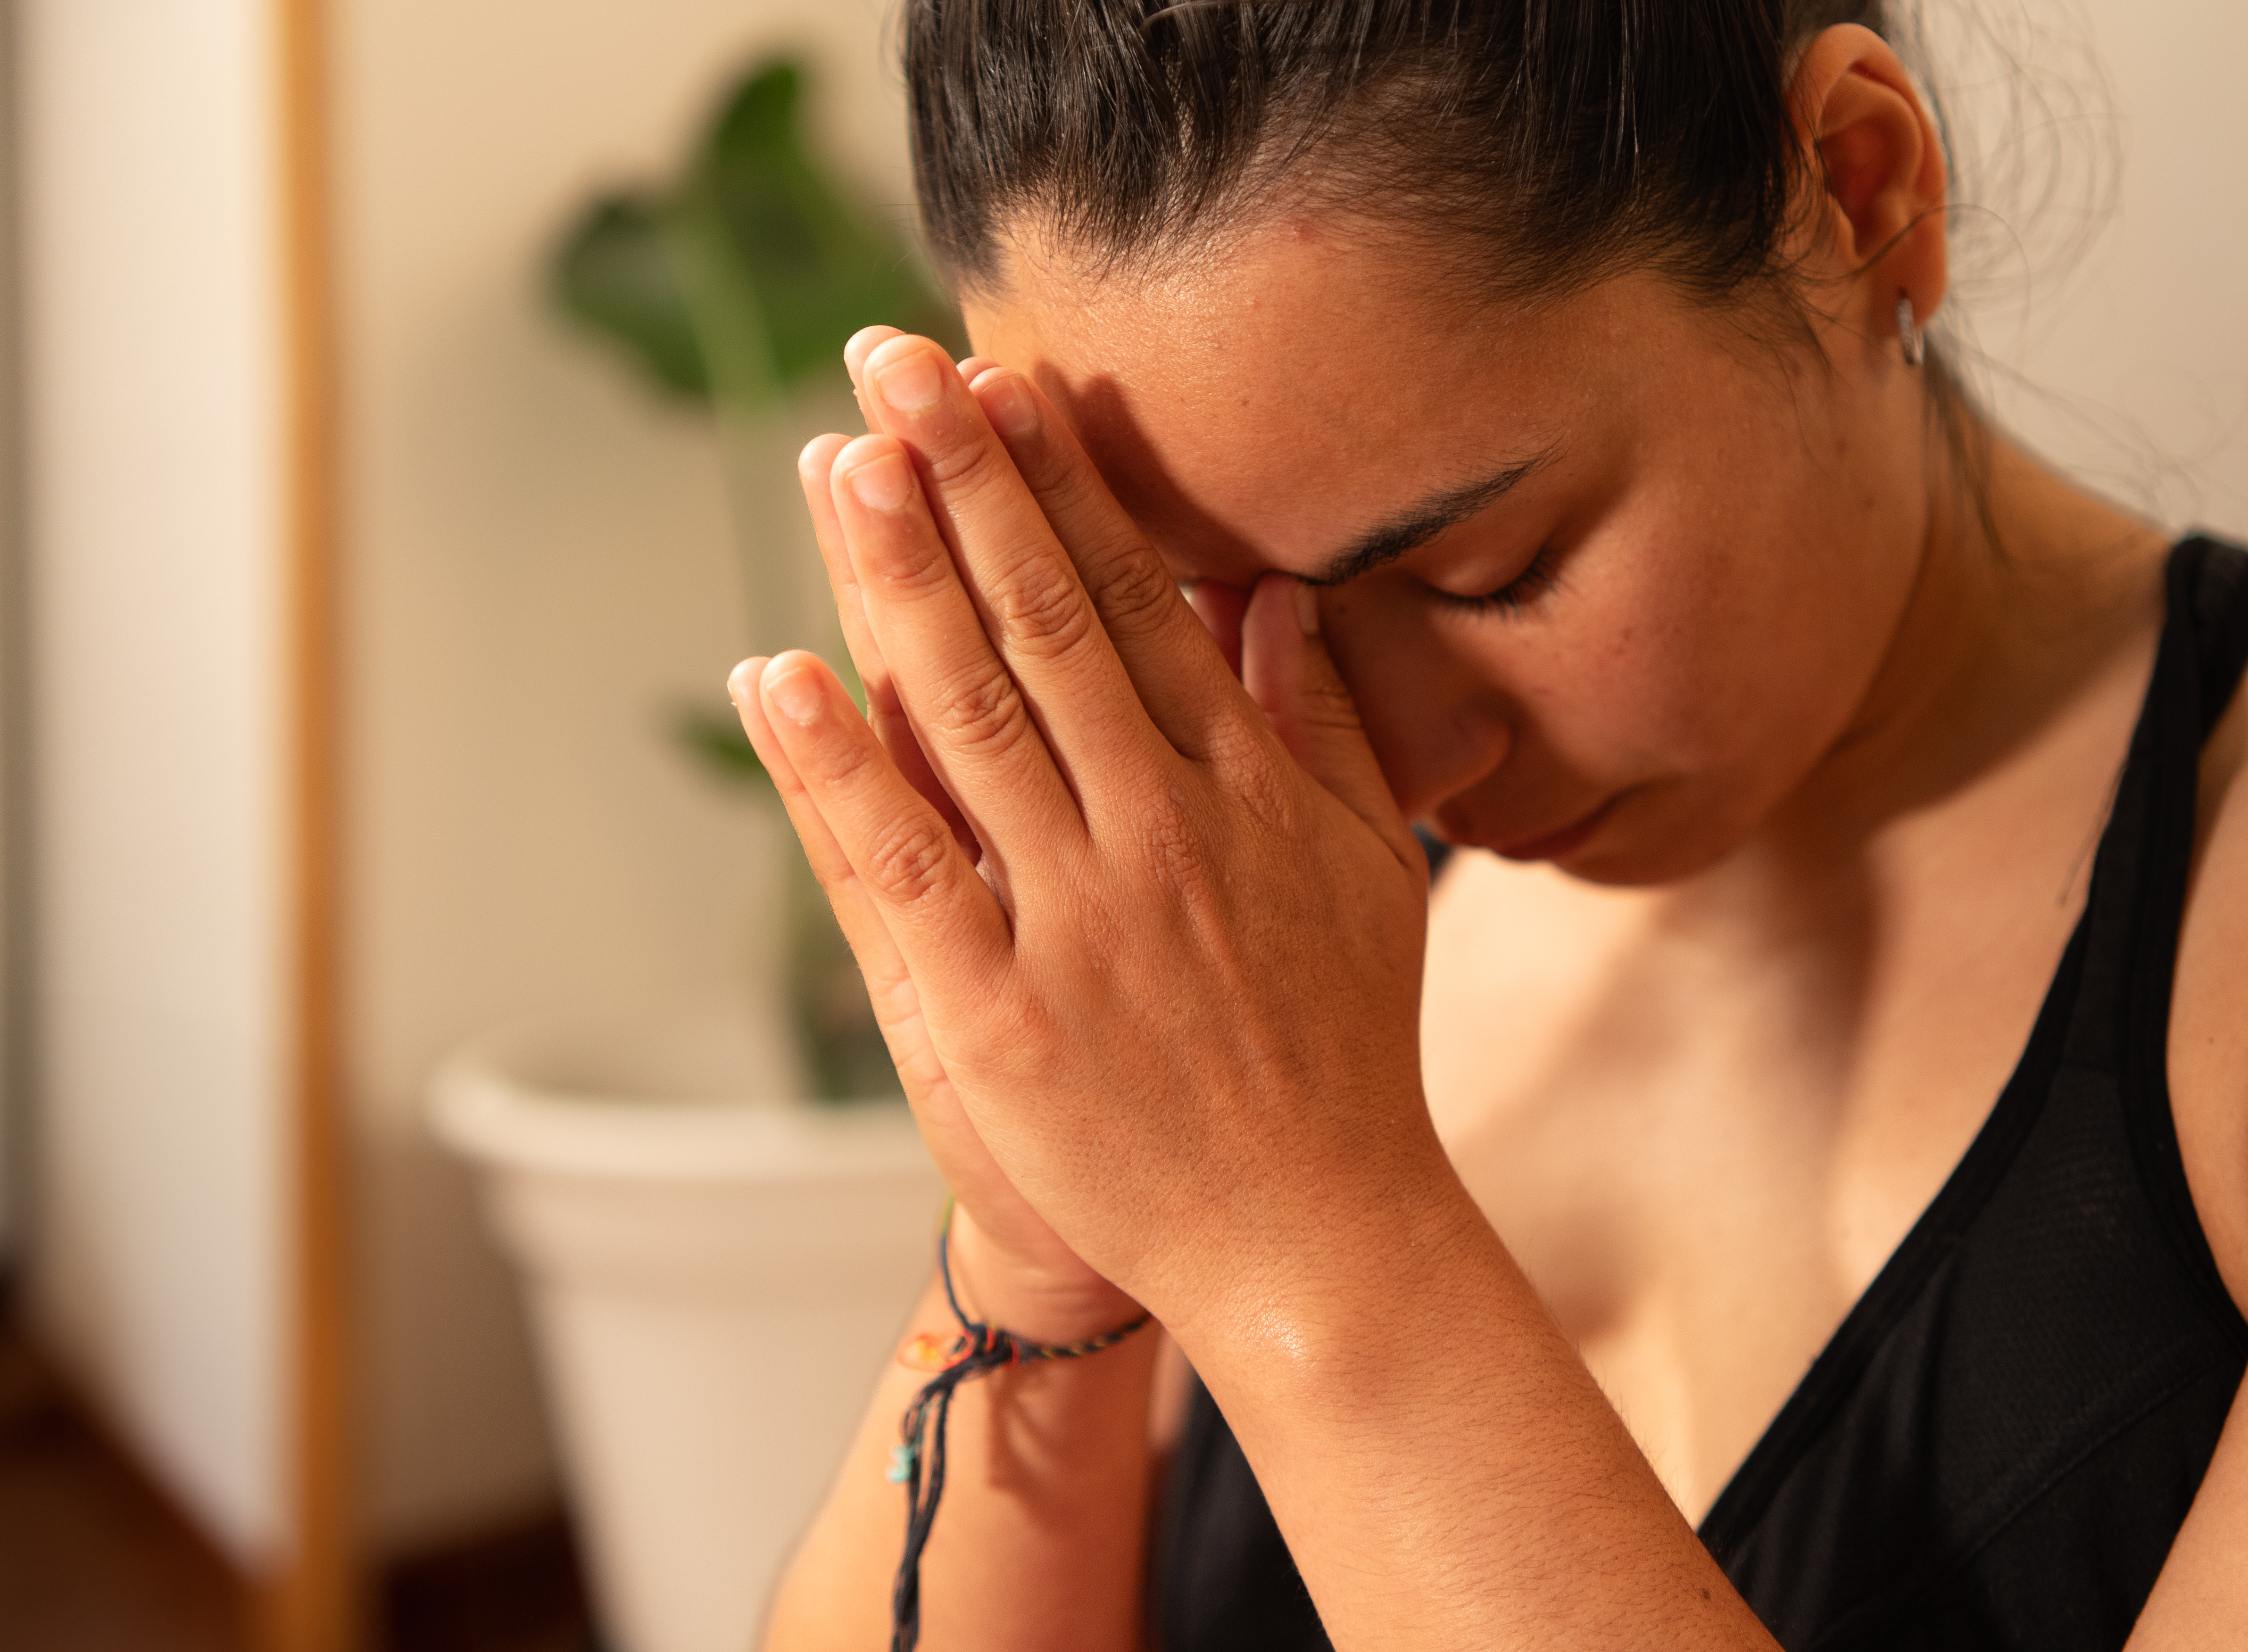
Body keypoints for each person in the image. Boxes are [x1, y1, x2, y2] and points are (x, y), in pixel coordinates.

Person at [728, 2, 2248, 1647]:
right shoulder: (1251, 911)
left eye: (1490, 575)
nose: (1402, 765)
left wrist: (1311, 1243)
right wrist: (1041, 1266)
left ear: (1857, 188)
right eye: (1207, 604)